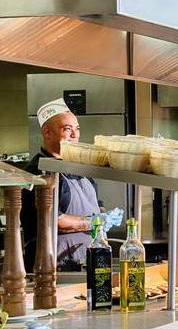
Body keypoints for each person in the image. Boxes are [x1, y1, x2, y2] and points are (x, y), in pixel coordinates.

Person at [21, 99, 117, 268]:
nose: (75, 135)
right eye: (67, 129)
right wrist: (93, 222)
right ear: (47, 132)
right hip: (54, 266)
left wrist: (105, 215)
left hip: (86, 261)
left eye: (77, 129)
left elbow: (96, 205)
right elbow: (53, 220)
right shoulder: (38, 171)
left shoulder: (78, 167)